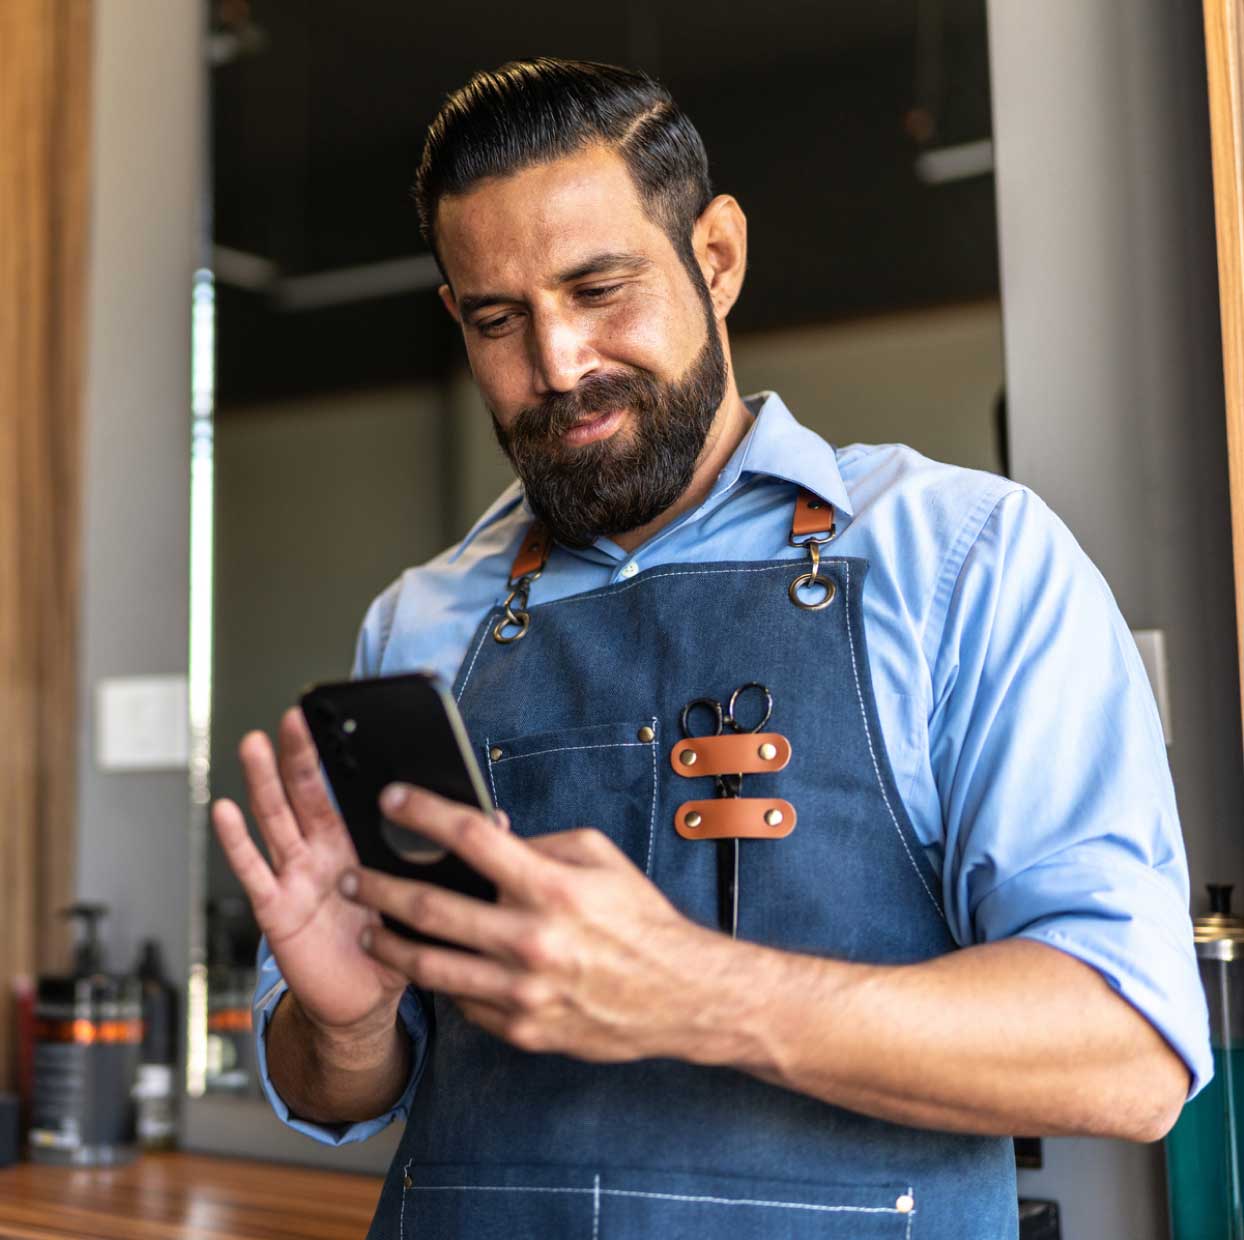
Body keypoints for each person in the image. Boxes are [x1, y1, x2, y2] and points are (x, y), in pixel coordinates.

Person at [211, 57, 1210, 1239]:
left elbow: (1127, 1052)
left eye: (599, 288)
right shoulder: (419, 622)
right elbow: (351, 1087)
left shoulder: (966, 562)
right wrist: (344, 1023)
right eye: (498, 319)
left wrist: (691, 992)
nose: (559, 362)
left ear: (717, 257)